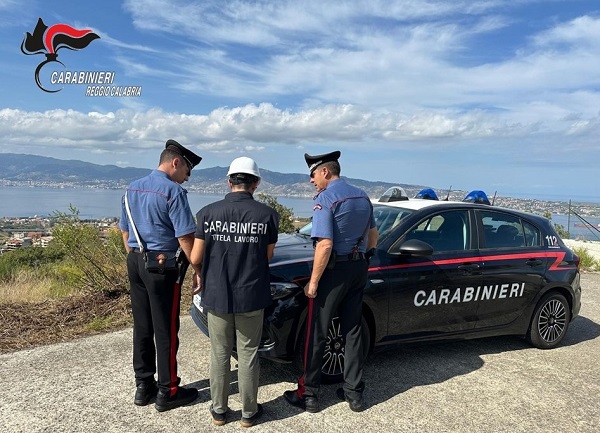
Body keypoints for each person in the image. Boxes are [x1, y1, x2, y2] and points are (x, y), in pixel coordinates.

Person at [283, 150, 378, 413]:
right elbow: (373, 235)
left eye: (313, 175)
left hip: (333, 272)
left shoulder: (326, 199)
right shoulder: (362, 196)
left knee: (318, 332)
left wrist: (313, 282)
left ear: (325, 171)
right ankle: (354, 394)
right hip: (358, 268)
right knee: (353, 331)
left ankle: (310, 395)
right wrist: (363, 260)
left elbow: (324, 245)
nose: (312, 180)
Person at [190, 156, 279, 428]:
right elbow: (268, 256)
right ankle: (249, 414)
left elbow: (195, 257)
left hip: (216, 294)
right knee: (249, 352)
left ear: (229, 182)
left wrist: (202, 272)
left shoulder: (207, 213)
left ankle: (219, 412)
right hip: (252, 294)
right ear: (256, 183)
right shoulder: (267, 215)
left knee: (219, 352)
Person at [119, 139, 202, 412]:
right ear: (175, 162)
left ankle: (144, 386)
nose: (186, 179)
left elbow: (124, 232)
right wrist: (198, 270)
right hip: (163, 266)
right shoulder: (173, 192)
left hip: (136, 261)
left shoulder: (131, 188)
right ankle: (168, 390)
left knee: (142, 325)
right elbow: (185, 237)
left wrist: (137, 258)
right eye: (187, 172)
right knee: (166, 329)